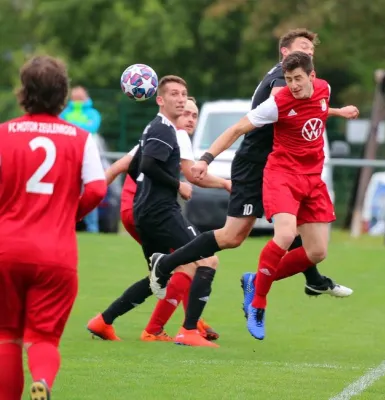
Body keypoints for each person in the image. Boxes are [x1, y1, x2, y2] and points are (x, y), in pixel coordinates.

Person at [152, 51, 359, 341]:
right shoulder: (277, 103)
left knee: (317, 252)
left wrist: (340, 112)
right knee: (284, 235)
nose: (294, 85)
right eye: (288, 80)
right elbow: (237, 128)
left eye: (298, 79)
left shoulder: (324, 89)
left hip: (312, 179)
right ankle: (259, 303)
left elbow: (317, 107)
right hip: (281, 175)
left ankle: (255, 280)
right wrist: (206, 158)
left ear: (312, 76)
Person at [0, 56, 107, 400]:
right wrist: (67, 215)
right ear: (63, 94)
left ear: (24, 92)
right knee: (44, 338)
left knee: (6, 336)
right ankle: (42, 381)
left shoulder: (4, 134)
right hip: (55, 253)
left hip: (6, 248)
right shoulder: (80, 137)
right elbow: (97, 189)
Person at [86, 97, 228, 342]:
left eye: (194, 115)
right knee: (201, 259)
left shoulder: (154, 134)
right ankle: (184, 328)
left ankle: (105, 321)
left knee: (164, 273)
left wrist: (89, 198)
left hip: (136, 211)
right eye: (186, 113)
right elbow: (193, 176)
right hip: (153, 209)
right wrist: (226, 183)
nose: (190, 119)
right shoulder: (174, 134)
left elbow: (119, 165)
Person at [60, 86, 103, 233]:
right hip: (66, 158)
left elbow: (92, 128)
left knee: (90, 191)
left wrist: (71, 128)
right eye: (75, 97)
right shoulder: (65, 112)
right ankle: (66, 224)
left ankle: (92, 228)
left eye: (80, 96)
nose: (78, 99)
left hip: (86, 158)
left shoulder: (93, 113)